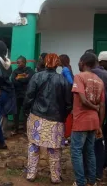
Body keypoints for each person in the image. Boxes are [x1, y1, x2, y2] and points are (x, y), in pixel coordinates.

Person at [24, 53, 72, 184]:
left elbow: (29, 97)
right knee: (54, 149)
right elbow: (69, 103)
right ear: (57, 64)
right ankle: (55, 177)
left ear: (45, 63)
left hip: (36, 117)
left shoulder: (36, 77)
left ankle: (31, 174)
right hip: (55, 119)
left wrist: (26, 112)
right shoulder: (63, 80)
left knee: (34, 146)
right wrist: (62, 116)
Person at [71, 52, 106, 186]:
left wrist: (93, 107)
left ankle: (80, 182)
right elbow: (102, 105)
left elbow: (83, 100)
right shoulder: (99, 80)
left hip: (81, 120)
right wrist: (99, 125)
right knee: (90, 152)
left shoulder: (79, 77)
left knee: (76, 152)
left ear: (83, 62)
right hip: (94, 121)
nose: (78, 63)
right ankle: (92, 181)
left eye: (80, 61)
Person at [85, 49, 107, 182]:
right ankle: (98, 173)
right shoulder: (106, 74)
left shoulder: (85, 75)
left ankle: (88, 173)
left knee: (87, 145)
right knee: (99, 144)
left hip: (87, 114)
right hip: (102, 112)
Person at [11, 55, 34, 135]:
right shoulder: (15, 71)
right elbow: (13, 81)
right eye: (17, 63)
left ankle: (26, 130)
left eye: (19, 63)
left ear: (24, 62)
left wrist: (19, 78)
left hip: (26, 95)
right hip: (17, 95)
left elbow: (29, 79)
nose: (17, 64)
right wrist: (24, 78)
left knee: (26, 113)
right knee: (16, 113)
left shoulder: (30, 70)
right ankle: (15, 129)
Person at [59, 54, 74, 141]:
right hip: (68, 95)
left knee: (66, 116)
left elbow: (71, 82)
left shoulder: (65, 69)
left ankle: (66, 135)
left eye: (59, 60)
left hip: (66, 96)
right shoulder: (68, 68)